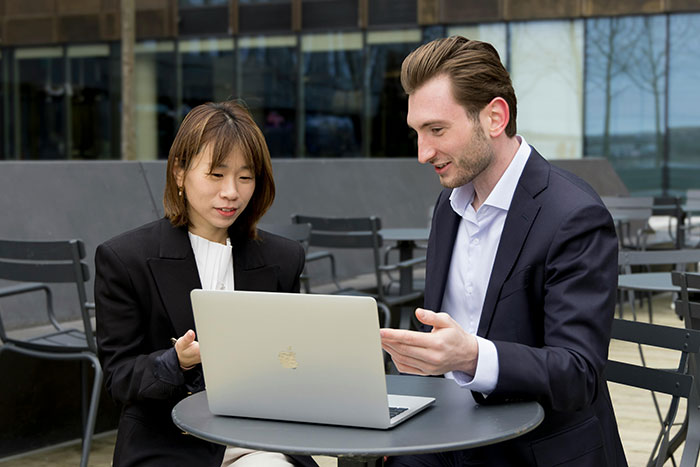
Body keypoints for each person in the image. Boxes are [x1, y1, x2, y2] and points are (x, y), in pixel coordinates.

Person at [380, 36, 627, 466]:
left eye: (437, 130)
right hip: (449, 435)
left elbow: (577, 373)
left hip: (535, 450)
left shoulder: (574, 215)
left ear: (495, 117)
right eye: (417, 133)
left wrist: (471, 357)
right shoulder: (449, 205)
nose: (423, 153)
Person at [95, 101, 317, 467]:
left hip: (257, 438)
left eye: (245, 177)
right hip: (169, 439)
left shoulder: (283, 258)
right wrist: (174, 362)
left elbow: (289, 361)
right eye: (216, 174)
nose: (232, 192)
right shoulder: (125, 258)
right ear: (180, 172)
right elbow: (119, 378)